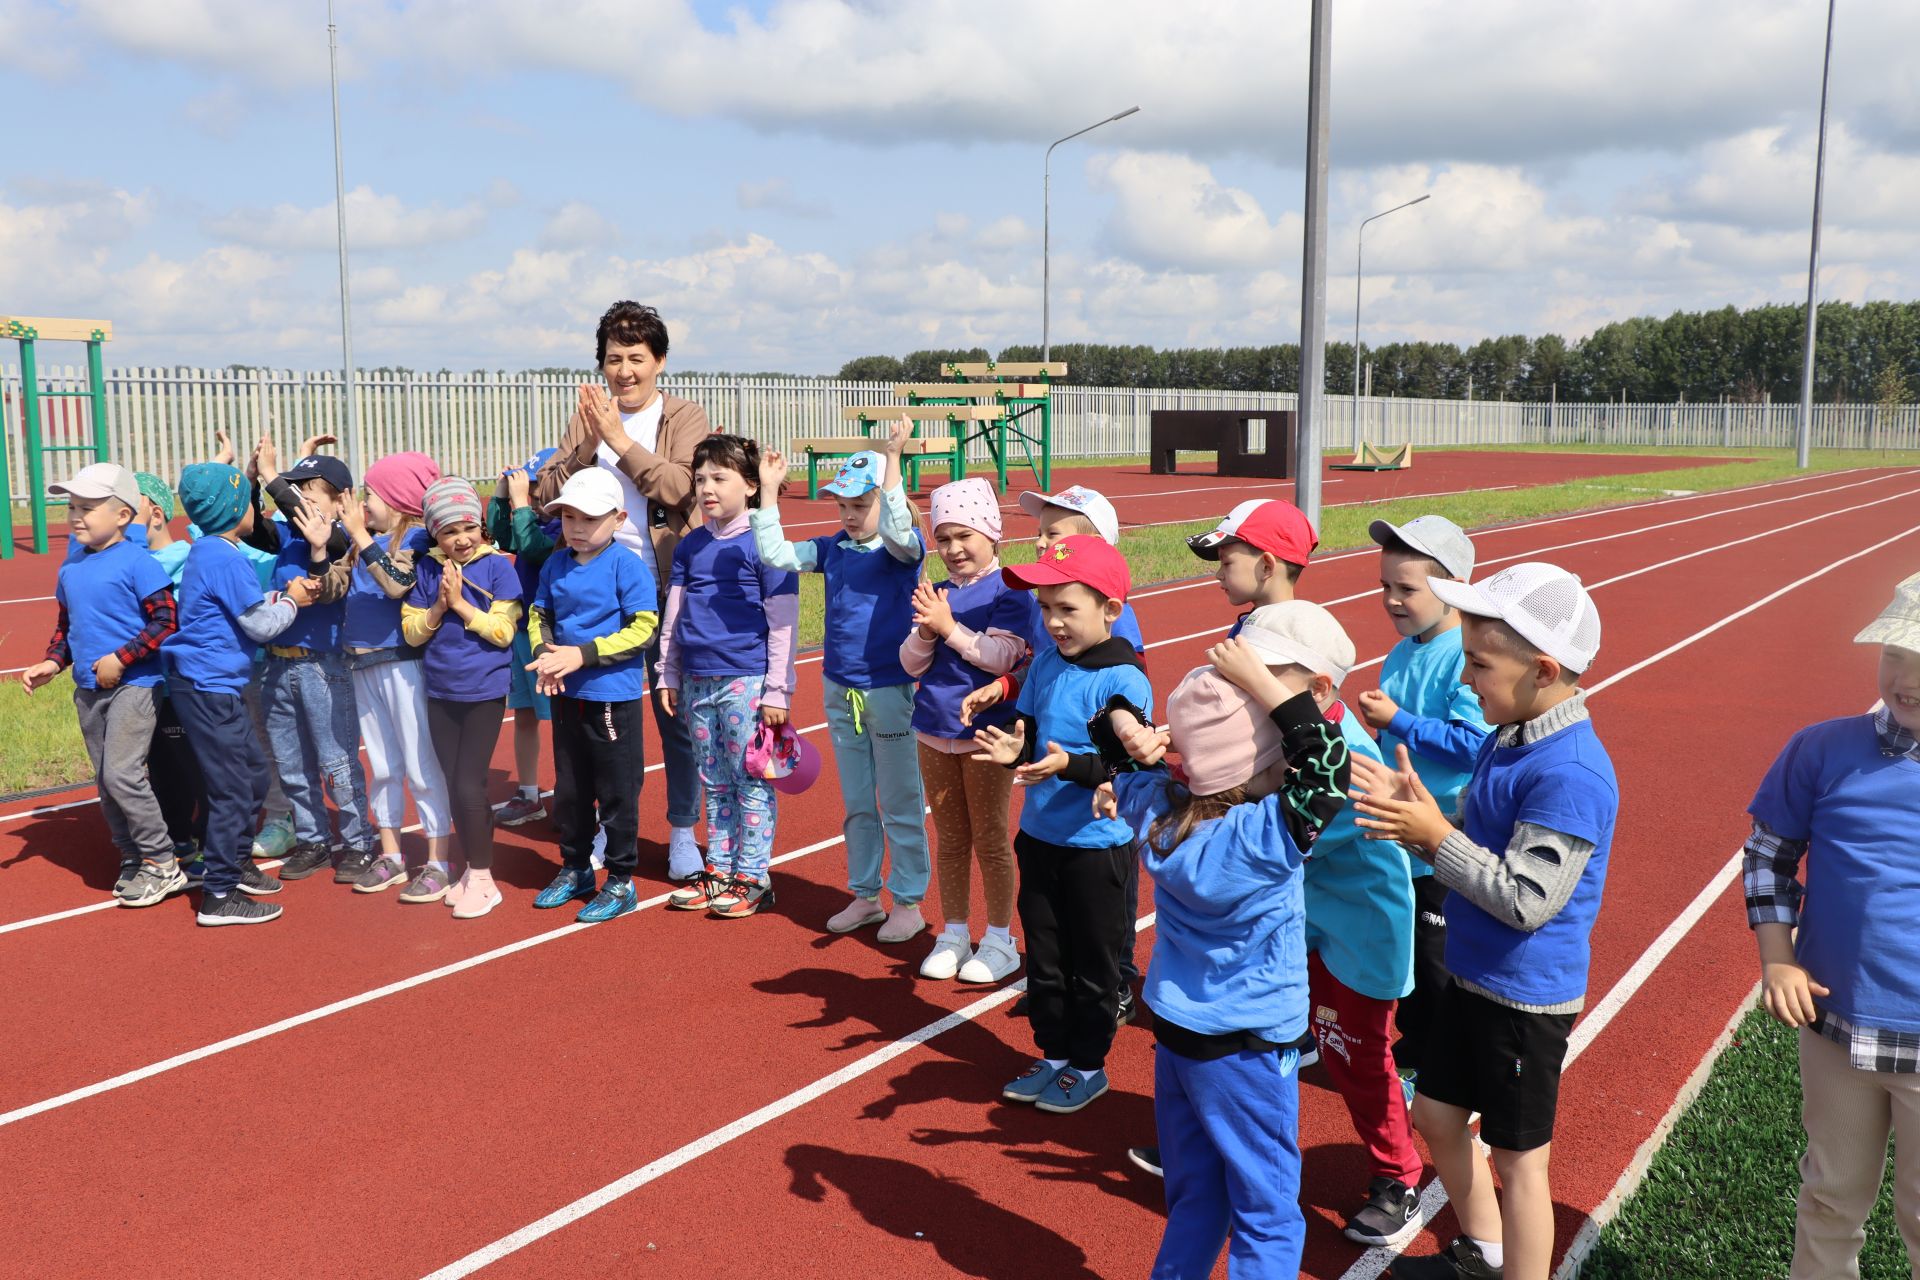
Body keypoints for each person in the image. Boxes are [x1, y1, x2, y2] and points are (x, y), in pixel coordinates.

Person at [1350, 562, 1615, 1280]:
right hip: (1474, 976)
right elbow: (1483, 822)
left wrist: (1436, 838)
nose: (1466, 679)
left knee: (1519, 1163)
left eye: (1479, 663)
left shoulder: (1571, 773)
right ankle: (1486, 1253)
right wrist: (1427, 816)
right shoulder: (1512, 734)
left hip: (1524, 998)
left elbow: (1528, 898)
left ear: (1544, 669)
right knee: (1437, 1118)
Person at [1100, 633, 1352, 1280]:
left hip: (1178, 1039)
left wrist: (1126, 725)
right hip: (1246, 1047)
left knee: (1195, 1199)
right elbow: (1326, 765)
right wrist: (1273, 689)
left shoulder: (1159, 811)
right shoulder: (1261, 837)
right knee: (1268, 1214)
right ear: (1261, 768)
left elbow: (1112, 741)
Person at [1743, 571, 1920, 1280]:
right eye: (1895, 655)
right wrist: (1777, 960)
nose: (1905, 677)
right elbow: (1769, 857)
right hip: (1837, 1024)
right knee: (1829, 1196)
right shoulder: (1820, 749)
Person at [1238, 601, 1426, 1248]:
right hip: (1310, 916)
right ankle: (1249, 1153)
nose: (1252, 695)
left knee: (1358, 1056)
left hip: (1361, 932)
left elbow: (1293, 836)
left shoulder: (1353, 758)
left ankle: (1399, 1174)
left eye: (1267, 681)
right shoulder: (1290, 733)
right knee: (1277, 1033)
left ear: (1319, 689)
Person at [973, 534, 1151, 1115]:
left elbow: (1130, 762)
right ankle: (1052, 1054)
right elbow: (1027, 728)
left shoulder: (1124, 678)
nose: (1052, 622)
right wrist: (1014, 749)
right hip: (1041, 838)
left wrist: (1070, 765)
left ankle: (1089, 1064)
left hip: (1097, 847)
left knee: (1093, 961)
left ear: (1110, 610)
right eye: (1046, 608)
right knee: (1045, 956)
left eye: (1067, 609)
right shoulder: (1047, 661)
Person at [533, 301, 709, 880]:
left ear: (659, 361)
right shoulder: (586, 417)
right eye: (614, 359)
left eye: (637, 358)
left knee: (672, 717)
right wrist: (589, 440)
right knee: (604, 727)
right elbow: (546, 492)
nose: (625, 371)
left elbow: (683, 487)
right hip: (590, 592)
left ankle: (683, 830)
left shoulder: (683, 416)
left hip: (658, 587)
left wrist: (621, 441)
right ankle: (613, 825)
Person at [752, 421, 931, 943]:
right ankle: (865, 894)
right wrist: (766, 492)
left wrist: (892, 459)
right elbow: (776, 554)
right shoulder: (832, 549)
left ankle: (909, 900)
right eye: (843, 507)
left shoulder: (902, 551)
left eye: (861, 505)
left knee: (899, 800)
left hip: (889, 691)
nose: (850, 516)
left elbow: (900, 530)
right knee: (856, 800)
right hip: (839, 689)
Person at [1355, 516, 1491, 1098]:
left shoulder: (1464, 654)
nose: (1391, 600)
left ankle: (1445, 1069)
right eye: (1385, 586)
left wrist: (1399, 722)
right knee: (1404, 950)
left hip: (1440, 837)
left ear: (1453, 586)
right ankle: (1415, 1046)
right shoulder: (1402, 652)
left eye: (1406, 589)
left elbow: (1474, 741)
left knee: (1437, 962)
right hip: (1398, 831)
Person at [160, 462, 320, 925]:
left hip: (215, 685)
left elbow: (238, 611)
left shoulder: (211, 551)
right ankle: (219, 894)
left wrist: (279, 598)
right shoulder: (226, 557)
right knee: (232, 787)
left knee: (251, 774)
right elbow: (259, 626)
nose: (259, 507)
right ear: (235, 509)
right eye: (251, 500)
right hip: (207, 689)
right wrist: (292, 599)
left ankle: (236, 863)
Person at [19, 464, 185, 906]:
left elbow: (167, 620)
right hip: (88, 691)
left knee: (122, 773)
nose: (76, 516)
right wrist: (52, 664)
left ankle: (162, 861)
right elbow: (67, 627)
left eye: (88, 507)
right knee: (106, 781)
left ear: (123, 515)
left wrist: (121, 658)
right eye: (72, 506)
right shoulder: (71, 567)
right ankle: (131, 856)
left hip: (135, 684)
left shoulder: (138, 562)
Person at [657, 434, 799, 919]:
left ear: (751, 486)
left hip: (747, 680)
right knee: (712, 780)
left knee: (750, 779)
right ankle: (718, 868)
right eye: (700, 479)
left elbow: (783, 622)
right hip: (697, 679)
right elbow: (674, 615)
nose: (707, 488)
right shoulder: (691, 544)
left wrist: (778, 689)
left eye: (720, 477)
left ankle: (753, 876)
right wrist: (667, 672)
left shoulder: (766, 545)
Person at [899, 476, 1036, 982]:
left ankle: (1000, 938)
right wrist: (926, 630)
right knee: (951, 837)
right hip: (933, 731)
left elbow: (1003, 655)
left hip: (987, 735)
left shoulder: (1011, 590)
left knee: (991, 837)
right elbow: (911, 665)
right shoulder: (936, 594)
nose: (953, 549)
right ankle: (954, 932)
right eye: (943, 539)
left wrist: (948, 626)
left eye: (965, 536)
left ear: (992, 535)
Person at [518, 468, 661, 923]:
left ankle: (620, 879)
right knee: (571, 790)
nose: (576, 528)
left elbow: (643, 628)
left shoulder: (627, 566)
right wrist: (544, 655)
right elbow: (539, 613)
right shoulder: (556, 564)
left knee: (617, 792)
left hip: (610, 698)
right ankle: (576, 867)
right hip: (566, 696)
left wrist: (581, 656)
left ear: (619, 519)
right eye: (568, 517)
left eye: (589, 518)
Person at [401, 478, 523, 918]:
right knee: (454, 785)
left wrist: (460, 606)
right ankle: (472, 871)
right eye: (449, 531)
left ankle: (486, 879)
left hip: (484, 692)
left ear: (481, 526)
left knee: (470, 784)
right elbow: (412, 633)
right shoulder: (428, 569)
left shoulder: (498, 569)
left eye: (468, 527)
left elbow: (504, 631)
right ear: (435, 534)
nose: (461, 539)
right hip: (440, 690)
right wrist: (438, 605)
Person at [336, 451, 455, 898]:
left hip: (403, 665)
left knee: (421, 764)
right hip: (362, 663)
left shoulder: (416, 539)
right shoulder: (361, 541)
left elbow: (395, 583)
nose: (365, 505)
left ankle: (438, 859)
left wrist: (360, 535)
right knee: (382, 765)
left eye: (372, 495)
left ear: (400, 499)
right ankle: (391, 854)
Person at [263, 453, 374, 883]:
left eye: (307, 495)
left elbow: (325, 590)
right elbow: (253, 520)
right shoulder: (286, 536)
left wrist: (316, 548)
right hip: (277, 663)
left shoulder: (344, 542)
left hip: (322, 667)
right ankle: (313, 840)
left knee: (337, 761)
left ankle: (359, 842)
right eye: (294, 496)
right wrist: (258, 475)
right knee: (291, 764)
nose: (298, 506)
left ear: (339, 500)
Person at [489, 448, 561, 829]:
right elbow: (502, 537)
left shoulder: (563, 528)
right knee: (525, 715)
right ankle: (529, 793)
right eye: (530, 490)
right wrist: (502, 495)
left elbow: (532, 548)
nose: (533, 498)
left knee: (563, 720)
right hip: (521, 630)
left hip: (550, 633)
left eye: (538, 490)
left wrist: (519, 506)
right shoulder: (528, 520)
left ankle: (573, 790)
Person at [1185, 497, 1317, 631]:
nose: (1218, 575)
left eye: (1226, 563)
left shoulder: (1288, 638)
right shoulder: (1244, 626)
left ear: (1266, 567)